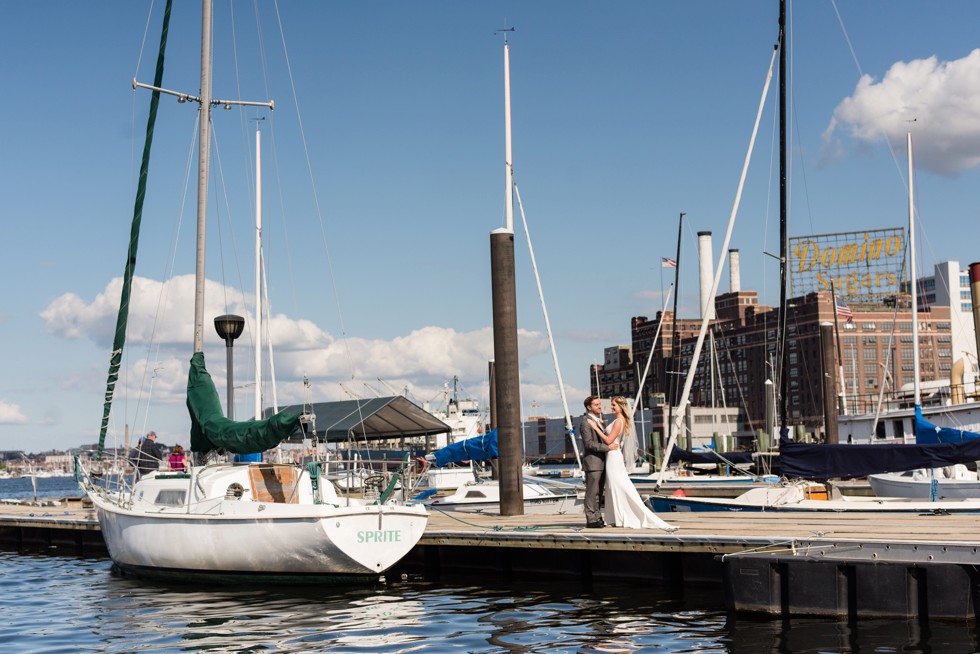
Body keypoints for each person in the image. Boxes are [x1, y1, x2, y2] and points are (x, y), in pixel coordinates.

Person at [599, 397, 677, 532]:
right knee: (614, 486)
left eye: (614, 405)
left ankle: (622, 516)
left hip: (613, 456)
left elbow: (609, 440)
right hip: (613, 456)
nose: (611, 407)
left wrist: (596, 428)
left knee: (618, 485)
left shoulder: (618, 421)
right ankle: (616, 517)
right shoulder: (619, 420)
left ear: (621, 406)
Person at [580, 395, 617, 528]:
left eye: (599, 404)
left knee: (599, 493)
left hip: (602, 462)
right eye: (596, 405)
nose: (599, 407)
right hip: (593, 463)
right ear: (589, 407)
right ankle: (591, 519)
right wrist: (608, 447)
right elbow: (589, 444)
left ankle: (597, 517)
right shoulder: (585, 422)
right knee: (592, 492)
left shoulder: (600, 421)